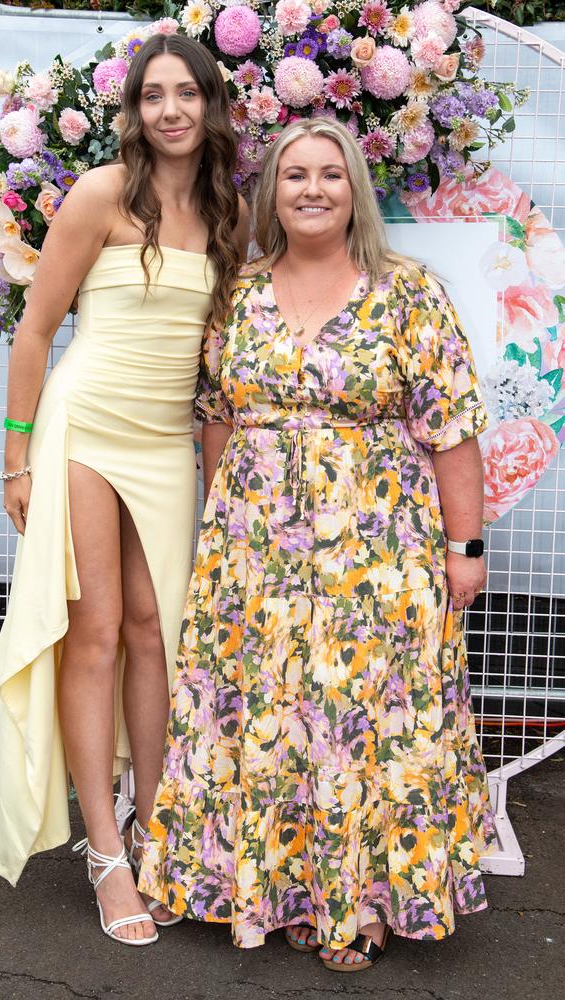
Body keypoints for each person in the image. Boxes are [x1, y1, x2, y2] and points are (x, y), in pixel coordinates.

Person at [138, 117, 495, 970]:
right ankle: (281, 890)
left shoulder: (410, 294)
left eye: (330, 175)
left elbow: (452, 430)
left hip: (378, 547)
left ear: (355, 191)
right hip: (254, 548)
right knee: (273, 717)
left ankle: (363, 903)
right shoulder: (237, 294)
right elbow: (216, 424)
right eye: (294, 175)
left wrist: (465, 549)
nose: (311, 190)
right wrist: (219, 540)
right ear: (270, 192)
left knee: (367, 720)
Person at [0, 33, 249, 946]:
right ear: (134, 109)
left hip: (164, 443)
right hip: (83, 428)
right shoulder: (99, 193)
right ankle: (108, 852)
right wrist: (16, 457)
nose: (170, 111)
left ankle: (158, 824)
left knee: (160, 630)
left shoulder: (230, 208)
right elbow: (37, 331)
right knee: (99, 629)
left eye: (185, 95)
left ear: (210, 105)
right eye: (153, 95)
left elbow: (216, 361)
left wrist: (220, 468)